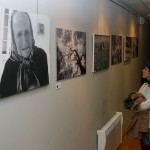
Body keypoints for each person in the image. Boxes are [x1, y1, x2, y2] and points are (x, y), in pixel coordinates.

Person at [0, 10, 49, 98]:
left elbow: (46, 85)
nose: (24, 40)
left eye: (27, 32)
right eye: (19, 34)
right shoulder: (9, 67)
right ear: (14, 41)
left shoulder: (41, 55)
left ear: (32, 35)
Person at [138, 61, 150, 149]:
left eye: (145, 69)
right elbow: (135, 99)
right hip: (143, 123)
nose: (142, 70)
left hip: (149, 126)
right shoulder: (144, 85)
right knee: (143, 146)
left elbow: (143, 106)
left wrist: (138, 103)